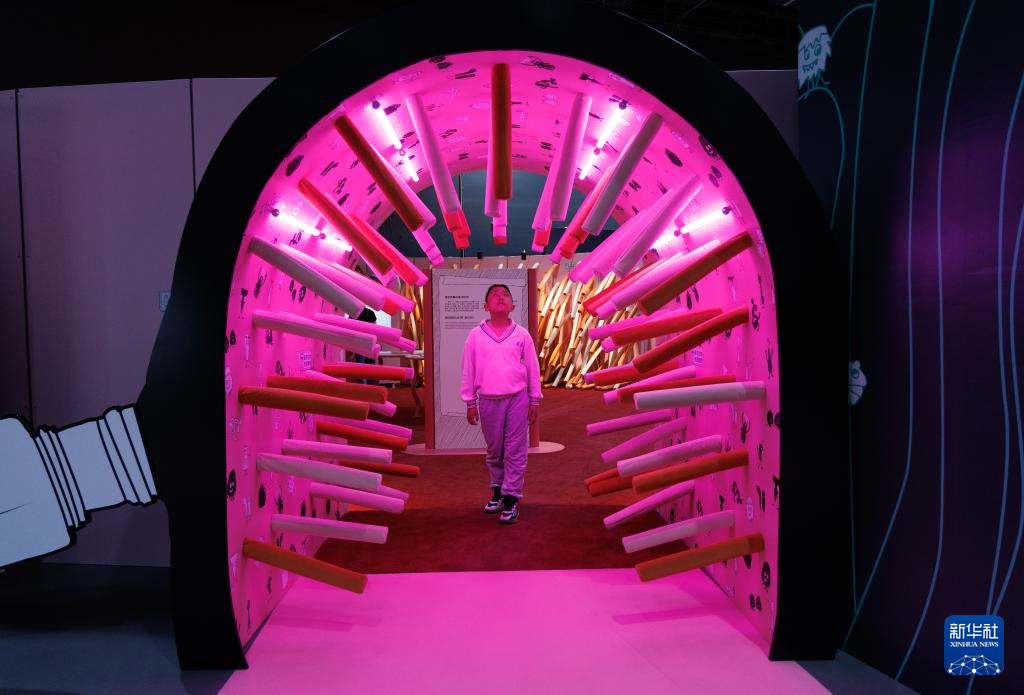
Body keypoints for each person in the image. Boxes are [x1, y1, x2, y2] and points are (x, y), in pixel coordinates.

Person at [460, 284, 541, 524]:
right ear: (486, 306)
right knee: (495, 450)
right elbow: (468, 369)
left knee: (515, 449)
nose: (500, 297)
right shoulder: (475, 335)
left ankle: (511, 498)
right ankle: (497, 490)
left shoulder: (522, 335)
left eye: (505, 295)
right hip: (488, 400)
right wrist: (470, 402)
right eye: (494, 295)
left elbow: (532, 368)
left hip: (517, 398)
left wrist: (534, 399)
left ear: (512, 306)